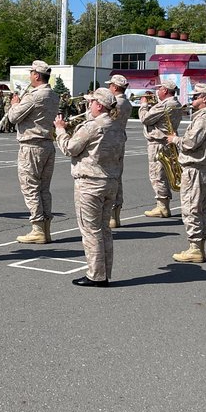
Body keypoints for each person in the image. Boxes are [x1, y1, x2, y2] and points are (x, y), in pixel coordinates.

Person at [54, 88, 126, 287]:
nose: (89, 105)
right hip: (110, 181)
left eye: (92, 102)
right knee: (103, 229)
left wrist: (60, 130)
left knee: (91, 230)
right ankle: (103, 272)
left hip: (90, 183)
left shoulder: (93, 126)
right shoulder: (117, 126)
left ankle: (96, 275)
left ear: (99, 105)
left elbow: (70, 148)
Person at [167, 83, 206, 262]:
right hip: (201, 169)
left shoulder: (204, 118)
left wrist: (175, 139)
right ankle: (197, 246)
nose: (192, 99)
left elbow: (191, 143)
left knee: (192, 208)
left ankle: (195, 248)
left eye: (195, 96)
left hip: (196, 170)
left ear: (205, 98)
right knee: (198, 208)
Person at [7, 60, 60, 244]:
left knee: (30, 187)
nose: (30, 76)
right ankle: (46, 228)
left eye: (31, 73)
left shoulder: (35, 96)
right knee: (44, 189)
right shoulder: (54, 95)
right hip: (47, 144)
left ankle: (37, 228)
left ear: (37, 75)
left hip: (31, 146)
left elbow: (13, 117)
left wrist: (15, 104)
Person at [138, 81, 184, 218]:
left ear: (165, 90)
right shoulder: (176, 104)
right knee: (163, 174)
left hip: (158, 142)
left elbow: (145, 119)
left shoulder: (165, 105)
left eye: (159, 89)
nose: (157, 92)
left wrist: (144, 105)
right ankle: (163, 205)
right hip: (168, 141)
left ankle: (162, 207)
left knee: (157, 175)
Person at [105, 74, 132, 228]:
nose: (109, 88)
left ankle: (111, 215)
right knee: (117, 178)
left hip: (109, 143)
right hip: (119, 142)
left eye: (110, 86)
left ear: (115, 87)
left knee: (108, 178)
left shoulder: (116, 102)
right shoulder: (126, 102)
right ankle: (115, 215)